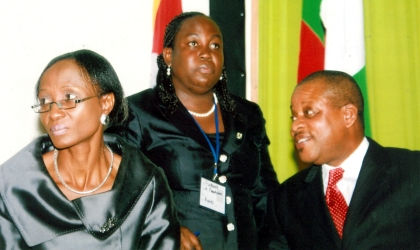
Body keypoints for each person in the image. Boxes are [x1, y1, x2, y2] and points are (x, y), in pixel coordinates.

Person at [107, 12, 280, 250]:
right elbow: (113, 195)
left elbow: (266, 198)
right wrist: (163, 229)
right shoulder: (137, 112)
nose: (206, 52)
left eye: (215, 45)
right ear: (169, 55)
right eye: (193, 43)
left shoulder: (247, 115)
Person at [0, 49, 180, 249]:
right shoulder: (13, 186)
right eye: (45, 101)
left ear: (106, 103)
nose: (53, 112)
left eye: (68, 97)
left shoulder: (143, 182)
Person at [276, 70, 420, 249]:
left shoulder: (412, 171)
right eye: (294, 117)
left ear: (348, 115)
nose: (295, 126)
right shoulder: (286, 197)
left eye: (309, 112)